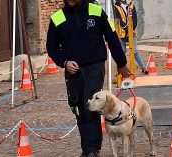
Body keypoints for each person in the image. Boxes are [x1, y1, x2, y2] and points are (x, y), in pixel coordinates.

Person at [46, 0, 131, 156]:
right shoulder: (57, 17)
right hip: (72, 72)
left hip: (94, 67)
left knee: (91, 106)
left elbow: (112, 36)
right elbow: (51, 47)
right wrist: (64, 62)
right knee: (78, 108)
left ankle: (92, 150)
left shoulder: (96, 11)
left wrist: (121, 63)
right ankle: (86, 149)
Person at [114, 0, 148, 74]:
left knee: (135, 51)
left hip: (132, 32)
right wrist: (127, 30)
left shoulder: (132, 5)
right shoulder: (116, 7)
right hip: (121, 33)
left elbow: (135, 19)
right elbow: (119, 20)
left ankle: (143, 67)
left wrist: (131, 29)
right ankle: (121, 71)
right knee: (122, 52)